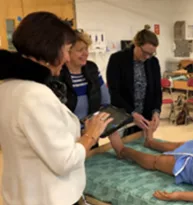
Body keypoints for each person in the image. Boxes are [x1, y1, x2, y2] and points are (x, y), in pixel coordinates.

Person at [0, 12, 112, 205]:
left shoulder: (7, 86)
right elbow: (65, 161)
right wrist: (91, 135)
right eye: (68, 49)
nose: (68, 58)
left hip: (21, 193)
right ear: (51, 49)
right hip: (48, 198)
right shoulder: (35, 95)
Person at [59, 30, 111, 149]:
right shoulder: (58, 74)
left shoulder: (92, 68)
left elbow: (106, 101)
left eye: (86, 49)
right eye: (80, 50)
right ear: (67, 52)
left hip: (91, 134)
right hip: (67, 139)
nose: (85, 54)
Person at [107, 26, 162, 136]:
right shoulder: (117, 59)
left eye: (151, 54)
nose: (147, 56)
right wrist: (132, 114)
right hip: (123, 115)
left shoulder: (153, 62)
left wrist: (156, 111)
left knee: (142, 145)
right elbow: (114, 93)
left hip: (145, 118)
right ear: (136, 44)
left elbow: (157, 90)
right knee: (124, 148)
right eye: (145, 52)